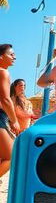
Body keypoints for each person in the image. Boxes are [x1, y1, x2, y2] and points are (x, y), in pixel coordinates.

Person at [0, 44, 20, 179]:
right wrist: (15, 121)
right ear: (1, 57)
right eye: (11, 54)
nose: (15, 57)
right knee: (12, 156)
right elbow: (6, 100)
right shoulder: (3, 72)